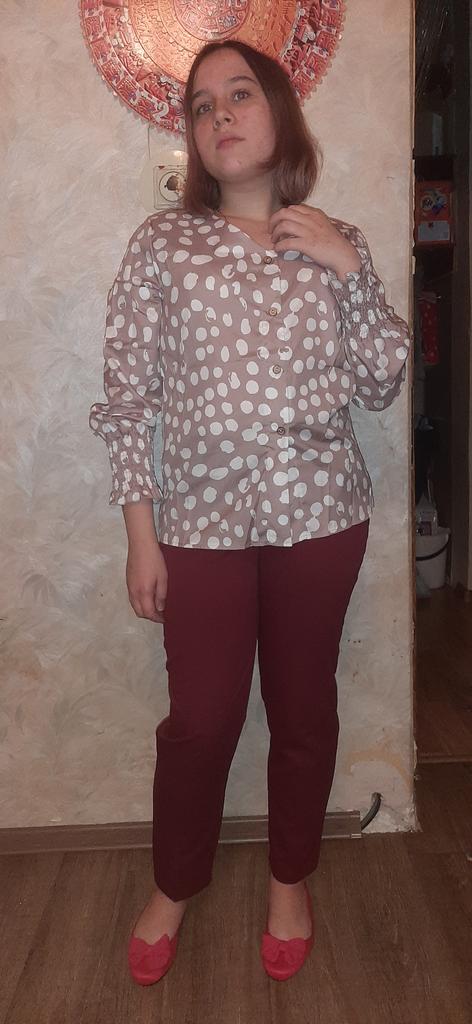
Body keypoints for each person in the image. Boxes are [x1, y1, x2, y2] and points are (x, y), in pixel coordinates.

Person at [89, 39, 410, 985]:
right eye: (201, 105)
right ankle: (175, 882)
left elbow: (383, 383)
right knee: (201, 718)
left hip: (322, 520)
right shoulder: (163, 246)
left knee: (303, 709)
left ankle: (289, 878)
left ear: (280, 113)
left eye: (240, 94)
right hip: (199, 529)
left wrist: (349, 268)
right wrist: (140, 536)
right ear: (192, 136)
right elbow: (128, 402)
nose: (220, 114)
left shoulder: (335, 240)